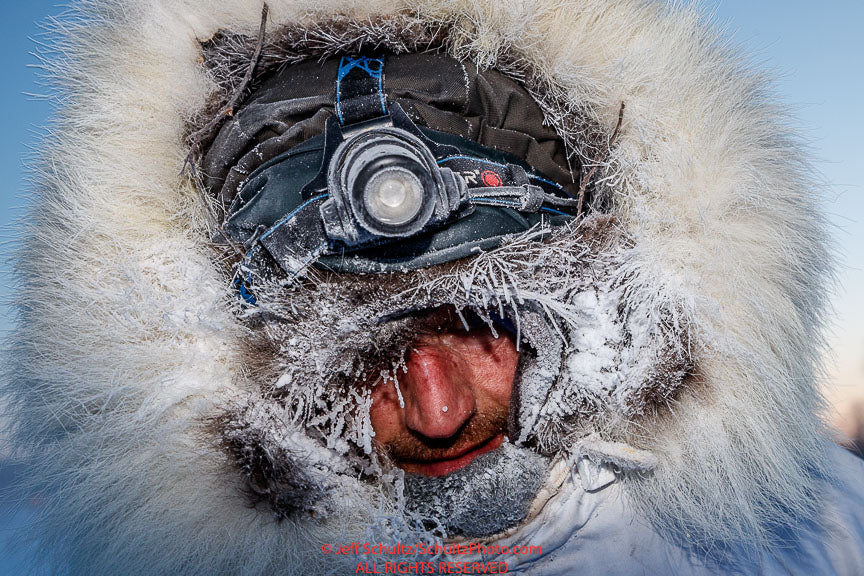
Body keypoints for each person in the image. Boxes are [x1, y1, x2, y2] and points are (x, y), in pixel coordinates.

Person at [4, 1, 864, 575]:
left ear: (600, 298)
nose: (438, 411)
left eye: (481, 321)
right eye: (356, 361)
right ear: (255, 379)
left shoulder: (826, 534)